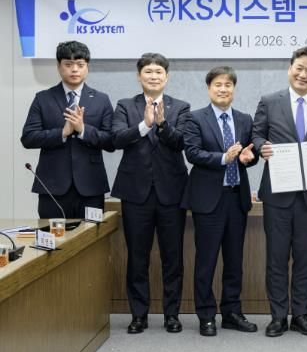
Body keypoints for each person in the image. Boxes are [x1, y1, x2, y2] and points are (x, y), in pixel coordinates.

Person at [252, 46, 307, 337]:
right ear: (290, 69)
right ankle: (278, 316)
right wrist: (261, 147)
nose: (304, 74)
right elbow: (256, 134)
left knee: (305, 259)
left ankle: (301, 315)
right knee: (276, 258)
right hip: (277, 194)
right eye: (299, 68)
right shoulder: (269, 101)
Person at [111, 53, 190, 334]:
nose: (153, 76)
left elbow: (182, 142)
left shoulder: (181, 107)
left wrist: (162, 124)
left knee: (173, 258)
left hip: (172, 193)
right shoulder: (125, 105)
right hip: (136, 193)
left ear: (167, 77)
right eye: (148, 72)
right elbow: (116, 138)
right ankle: (138, 316)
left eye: (159, 72)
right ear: (139, 76)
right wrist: (144, 125)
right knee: (137, 257)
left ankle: (172, 315)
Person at [182, 67, 259, 336]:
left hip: (236, 199)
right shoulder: (194, 118)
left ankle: (232, 313)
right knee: (206, 261)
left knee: (234, 261)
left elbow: (249, 155)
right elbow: (192, 153)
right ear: (209, 88)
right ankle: (206, 315)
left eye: (228, 85)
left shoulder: (245, 119)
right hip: (208, 201)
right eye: (217, 84)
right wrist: (224, 158)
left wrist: (248, 159)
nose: (223, 89)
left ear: (234, 89)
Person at [21, 40, 114, 219]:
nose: (74, 69)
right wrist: (62, 133)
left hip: (91, 187)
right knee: (52, 236)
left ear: (87, 67)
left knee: (93, 235)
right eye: (68, 64)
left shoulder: (101, 99)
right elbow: (28, 137)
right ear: (59, 66)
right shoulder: (43, 98)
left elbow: (111, 141)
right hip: (52, 187)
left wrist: (83, 130)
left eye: (80, 64)